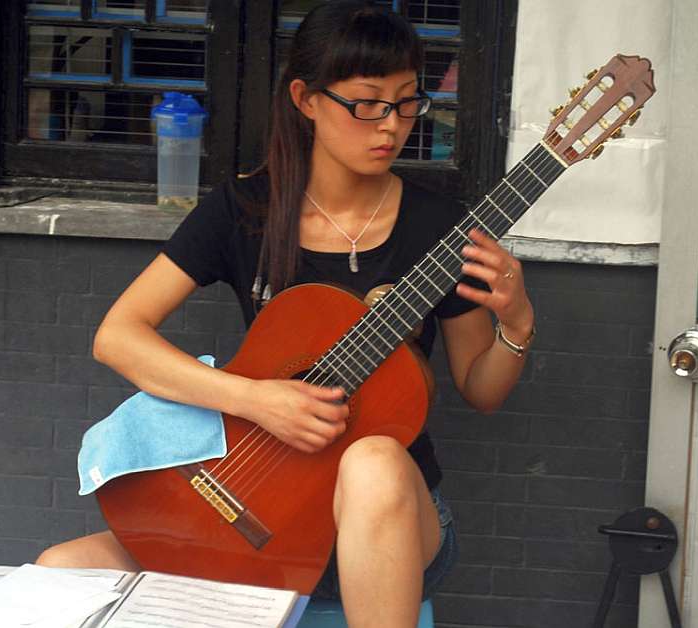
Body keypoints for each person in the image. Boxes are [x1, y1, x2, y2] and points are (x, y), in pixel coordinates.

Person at [35, 2, 534, 626]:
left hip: (390, 527)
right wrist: (256, 400)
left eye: (408, 102)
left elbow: (481, 390)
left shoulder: (441, 228)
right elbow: (118, 337)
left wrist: (515, 325)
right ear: (306, 99)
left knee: (373, 460)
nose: (391, 125)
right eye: (367, 103)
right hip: (251, 511)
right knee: (61, 573)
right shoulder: (245, 210)